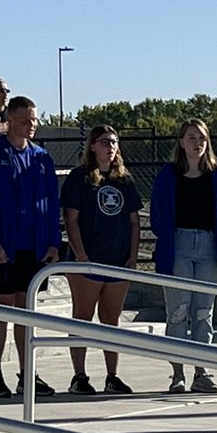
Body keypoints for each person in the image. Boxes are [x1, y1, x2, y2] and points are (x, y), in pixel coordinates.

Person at [0, 95, 60, 397]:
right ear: (9, 120)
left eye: (34, 120)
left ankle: (28, 374)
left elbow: (51, 203)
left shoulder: (41, 158)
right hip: (4, 246)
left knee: (27, 311)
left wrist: (53, 241)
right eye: (25, 120)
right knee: (1, 309)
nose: (31, 125)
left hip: (34, 247)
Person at [150, 118, 217, 394]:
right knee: (178, 311)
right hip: (179, 244)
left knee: (203, 312)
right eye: (192, 138)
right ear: (181, 142)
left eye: (202, 138)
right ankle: (178, 373)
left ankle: (202, 371)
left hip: (208, 246)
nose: (197, 143)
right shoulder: (168, 175)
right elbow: (157, 214)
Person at [61, 125, 141, 395]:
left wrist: (132, 256)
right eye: (105, 141)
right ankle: (79, 376)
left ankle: (112, 376)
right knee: (82, 318)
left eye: (114, 142)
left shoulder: (124, 180)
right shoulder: (79, 177)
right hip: (88, 261)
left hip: (117, 261)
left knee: (111, 319)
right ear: (93, 146)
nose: (110, 146)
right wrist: (81, 254)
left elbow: (133, 221)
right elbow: (71, 219)